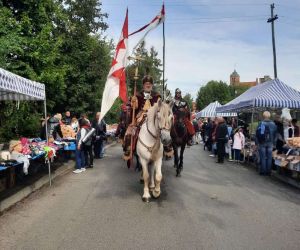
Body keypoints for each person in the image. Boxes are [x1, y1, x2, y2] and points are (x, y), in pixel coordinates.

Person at [123, 75, 161, 160]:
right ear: (143, 85)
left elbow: (159, 106)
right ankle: (129, 148)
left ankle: (166, 147)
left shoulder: (156, 95)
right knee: (130, 131)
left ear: (152, 85)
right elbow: (134, 107)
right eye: (146, 84)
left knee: (164, 128)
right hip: (140, 115)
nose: (148, 85)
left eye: (150, 84)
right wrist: (133, 101)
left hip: (153, 116)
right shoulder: (137, 95)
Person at [255, 111, 277, 176]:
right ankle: (268, 172)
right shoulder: (273, 124)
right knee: (270, 157)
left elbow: (257, 134)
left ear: (263, 116)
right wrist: (274, 143)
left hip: (262, 142)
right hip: (270, 143)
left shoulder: (261, 123)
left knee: (263, 157)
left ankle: (263, 171)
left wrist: (257, 143)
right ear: (269, 116)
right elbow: (275, 134)